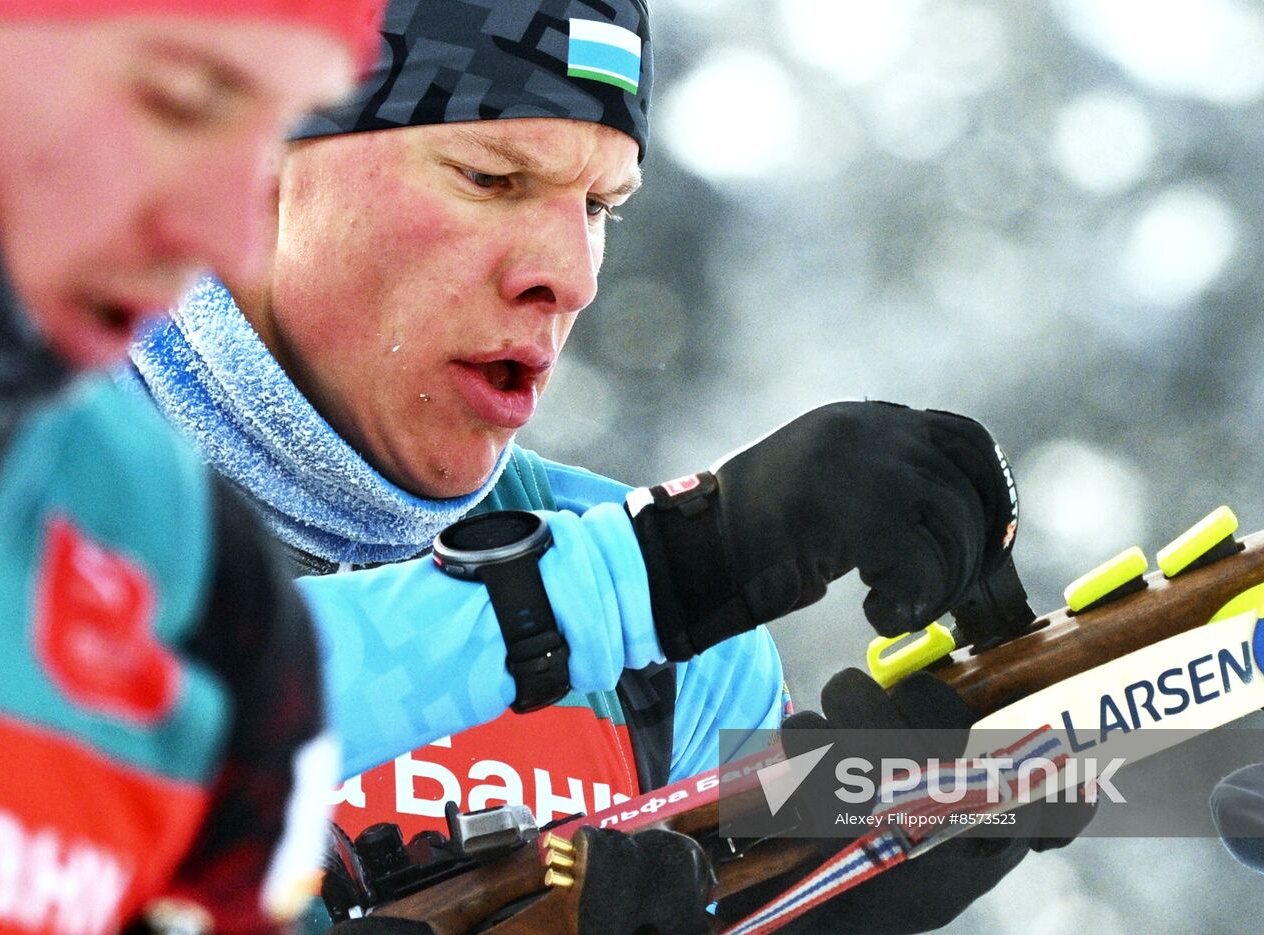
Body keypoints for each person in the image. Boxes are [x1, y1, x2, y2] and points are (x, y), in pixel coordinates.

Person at [128, 0, 1088, 929]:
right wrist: (658, 572)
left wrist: (805, 903)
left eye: (600, 206)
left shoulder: (671, 648)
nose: (572, 274)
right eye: (488, 176)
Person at [0, 3, 384, 932]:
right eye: (183, 100)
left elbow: (789, 812)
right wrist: (642, 579)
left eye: (278, 132)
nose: (229, 234)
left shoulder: (193, 569)